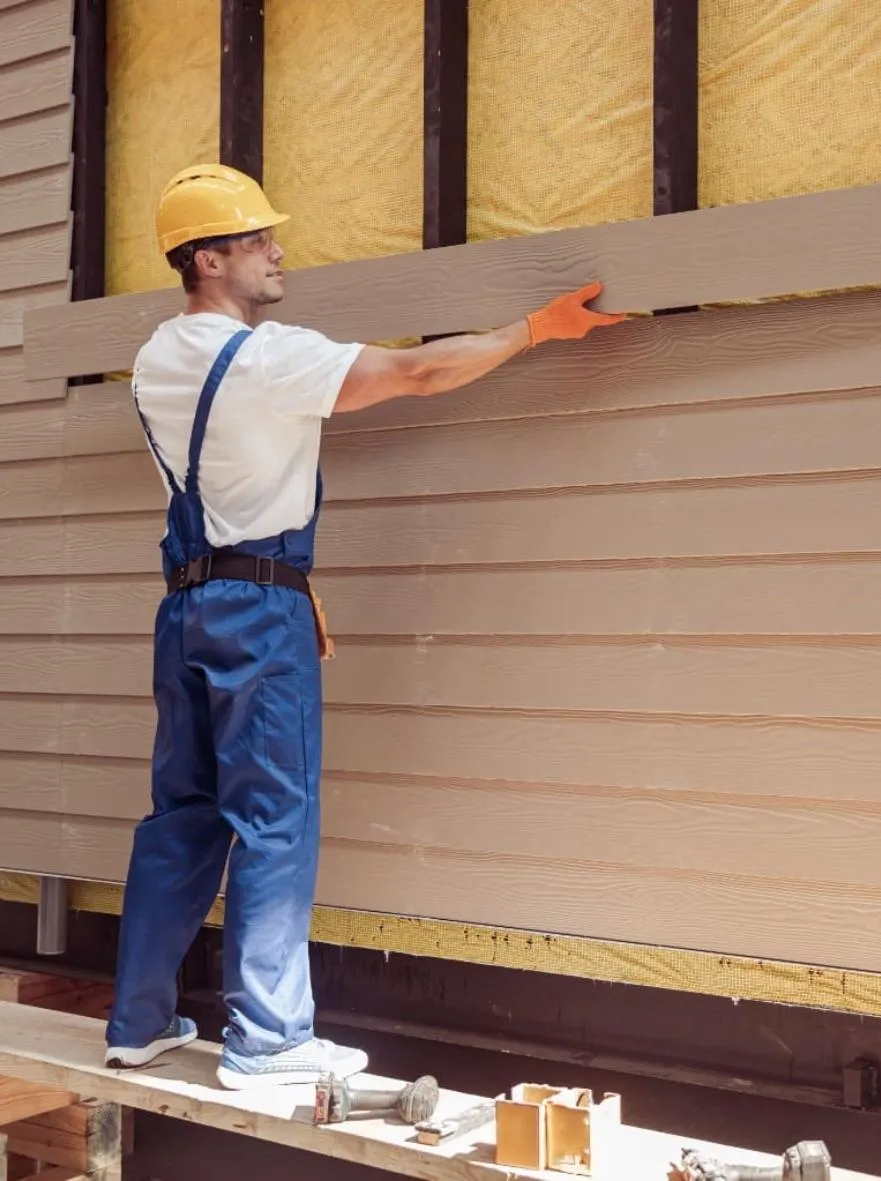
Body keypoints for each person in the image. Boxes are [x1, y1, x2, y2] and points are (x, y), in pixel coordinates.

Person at [103, 163, 624, 1090]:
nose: (278, 251)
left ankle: (139, 1020)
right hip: (259, 610)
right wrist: (535, 327)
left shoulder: (153, 361)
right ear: (210, 258)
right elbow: (419, 372)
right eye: (260, 239)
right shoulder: (269, 359)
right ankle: (266, 1040)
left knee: (180, 814)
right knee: (273, 818)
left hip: (183, 606)